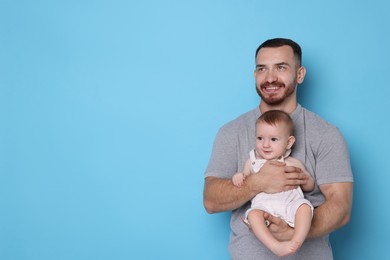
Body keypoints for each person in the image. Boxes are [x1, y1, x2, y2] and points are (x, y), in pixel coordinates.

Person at [203, 38, 353, 259]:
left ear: (300, 74)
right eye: (262, 69)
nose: (270, 78)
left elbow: (341, 207)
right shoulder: (230, 132)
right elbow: (211, 200)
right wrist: (258, 182)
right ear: (255, 75)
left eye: (281, 67)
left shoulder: (326, 134)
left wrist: (292, 232)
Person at [232, 110, 314, 257]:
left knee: (305, 207)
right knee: (253, 214)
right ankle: (275, 246)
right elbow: (244, 179)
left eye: (273, 139)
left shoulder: (293, 163)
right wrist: (238, 176)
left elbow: (309, 187)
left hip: (290, 205)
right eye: (260, 138)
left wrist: (306, 179)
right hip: (264, 207)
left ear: (289, 142)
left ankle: (296, 241)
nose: (265, 145)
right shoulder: (252, 163)